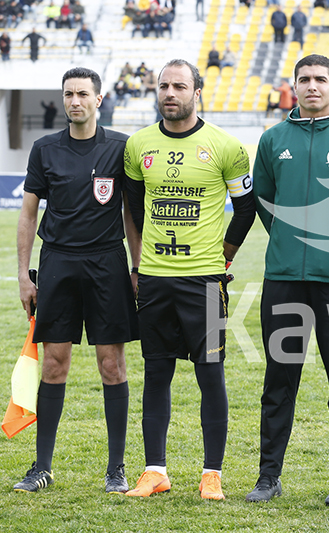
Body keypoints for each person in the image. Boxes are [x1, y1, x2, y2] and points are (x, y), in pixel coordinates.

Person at [248, 53, 329, 507]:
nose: (312, 86)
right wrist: (290, 244)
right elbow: (267, 204)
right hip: (284, 279)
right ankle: (268, 477)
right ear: (294, 86)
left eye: (320, 79)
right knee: (279, 380)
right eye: (304, 79)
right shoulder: (272, 140)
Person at [123, 58, 256, 501]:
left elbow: (247, 207)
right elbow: (134, 208)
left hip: (203, 280)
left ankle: (211, 474)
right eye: (163, 86)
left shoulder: (226, 146)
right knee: (156, 373)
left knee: (210, 374)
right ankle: (155, 470)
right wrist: (139, 262)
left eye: (179, 86)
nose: (170, 93)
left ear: (197, 92)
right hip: (156, 280)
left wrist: (224, 255)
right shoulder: (138, 145)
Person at [14, 67, 140, 495]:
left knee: (112, 363)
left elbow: (130, 213)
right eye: (68, 94)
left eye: (83, 94)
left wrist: (136, 268)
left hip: (107, 263)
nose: (74, 101)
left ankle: (116, 470)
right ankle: (42, 467)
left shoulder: (121, 147)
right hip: (58, 263)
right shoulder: (44, 149)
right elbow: (28, 214)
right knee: (54, 363)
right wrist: (22, 275)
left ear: (98, 99)